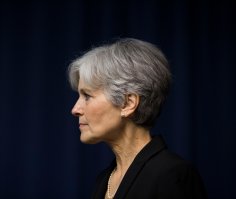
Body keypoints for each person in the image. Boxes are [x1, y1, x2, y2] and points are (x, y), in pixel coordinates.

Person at [68, 38, 207, 199]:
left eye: (87, 96)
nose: (75, 110)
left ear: (128, 103)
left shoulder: (173, 175)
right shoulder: (103, 180)